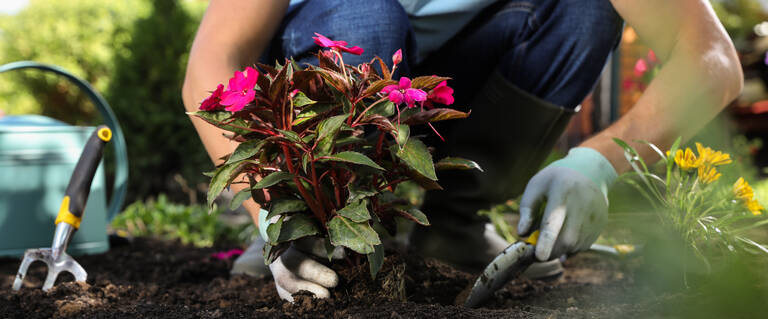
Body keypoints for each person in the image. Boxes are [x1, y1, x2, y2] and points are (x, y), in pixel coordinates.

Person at [183, 0, 742, 302]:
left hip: (449, 89)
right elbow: (209, 65)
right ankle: (317, 231)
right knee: (364, 12)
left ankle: (454, 221)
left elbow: (712, 58)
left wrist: (597, 163)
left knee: (586, 7)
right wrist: (272, 212)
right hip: (340, 60)